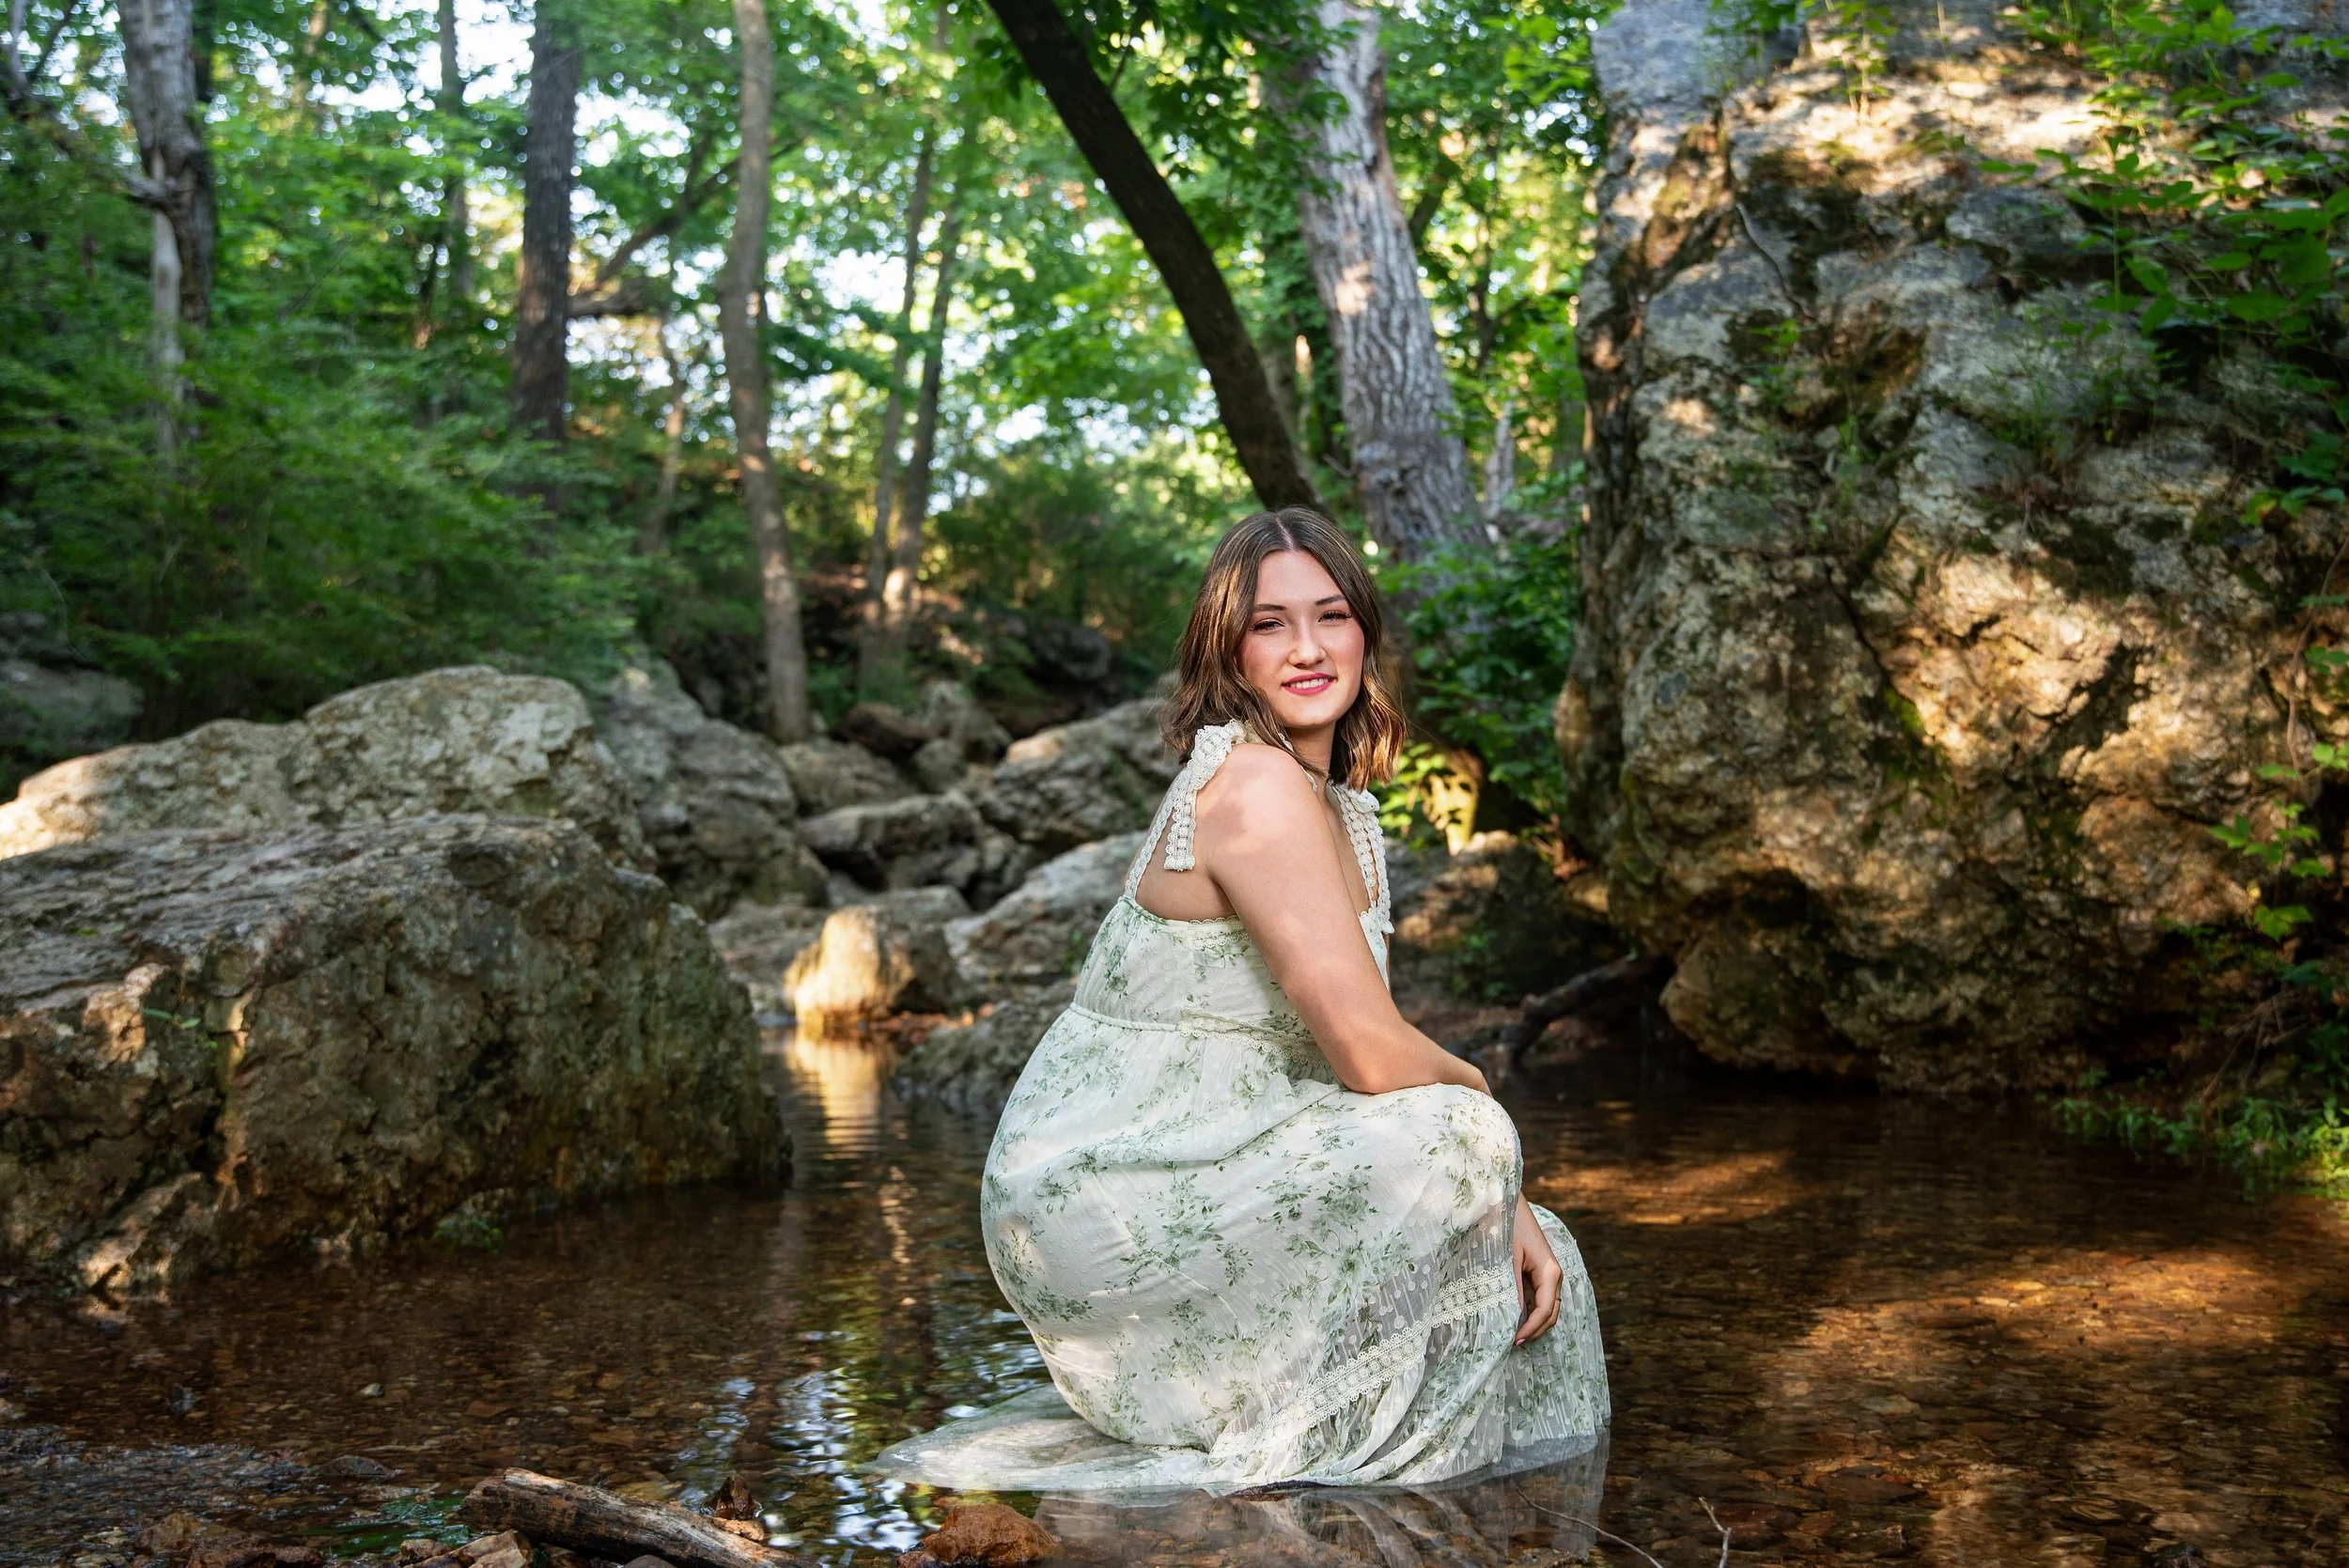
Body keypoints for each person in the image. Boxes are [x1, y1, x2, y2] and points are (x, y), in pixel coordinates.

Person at [874, 507, 1609, 1494]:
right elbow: (1368, 1055)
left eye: (1331, 615)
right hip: (1109, 1194)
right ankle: (1367, 1494)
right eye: (1269, 624)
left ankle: (1476, 1513)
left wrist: (1501, 1195)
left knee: (1519, 1243)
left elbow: (1364, 1074)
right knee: (1462, 1142)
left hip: (1216, 1150)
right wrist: (1487, 1110)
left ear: (1365, 633)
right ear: (1228, 649)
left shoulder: (1332, 800)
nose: (1307, 648)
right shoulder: (1256, 788)